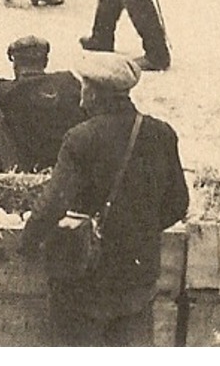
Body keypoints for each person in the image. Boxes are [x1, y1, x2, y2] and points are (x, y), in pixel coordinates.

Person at [20, 52, 189, 346]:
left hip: (87, 279)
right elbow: (178, 203)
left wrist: (27, 243)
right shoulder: (161, 134)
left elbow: (52, 204)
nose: (81, 95)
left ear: (95, 94)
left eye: (84, 87)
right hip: (138, 276)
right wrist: (137, 230)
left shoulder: (81, 138)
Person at [0, 35, 84, 171]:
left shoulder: (10, 92)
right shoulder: (68, 82)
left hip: (30, 167)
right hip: (68, 166)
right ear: (45, 61)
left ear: (15, 64)